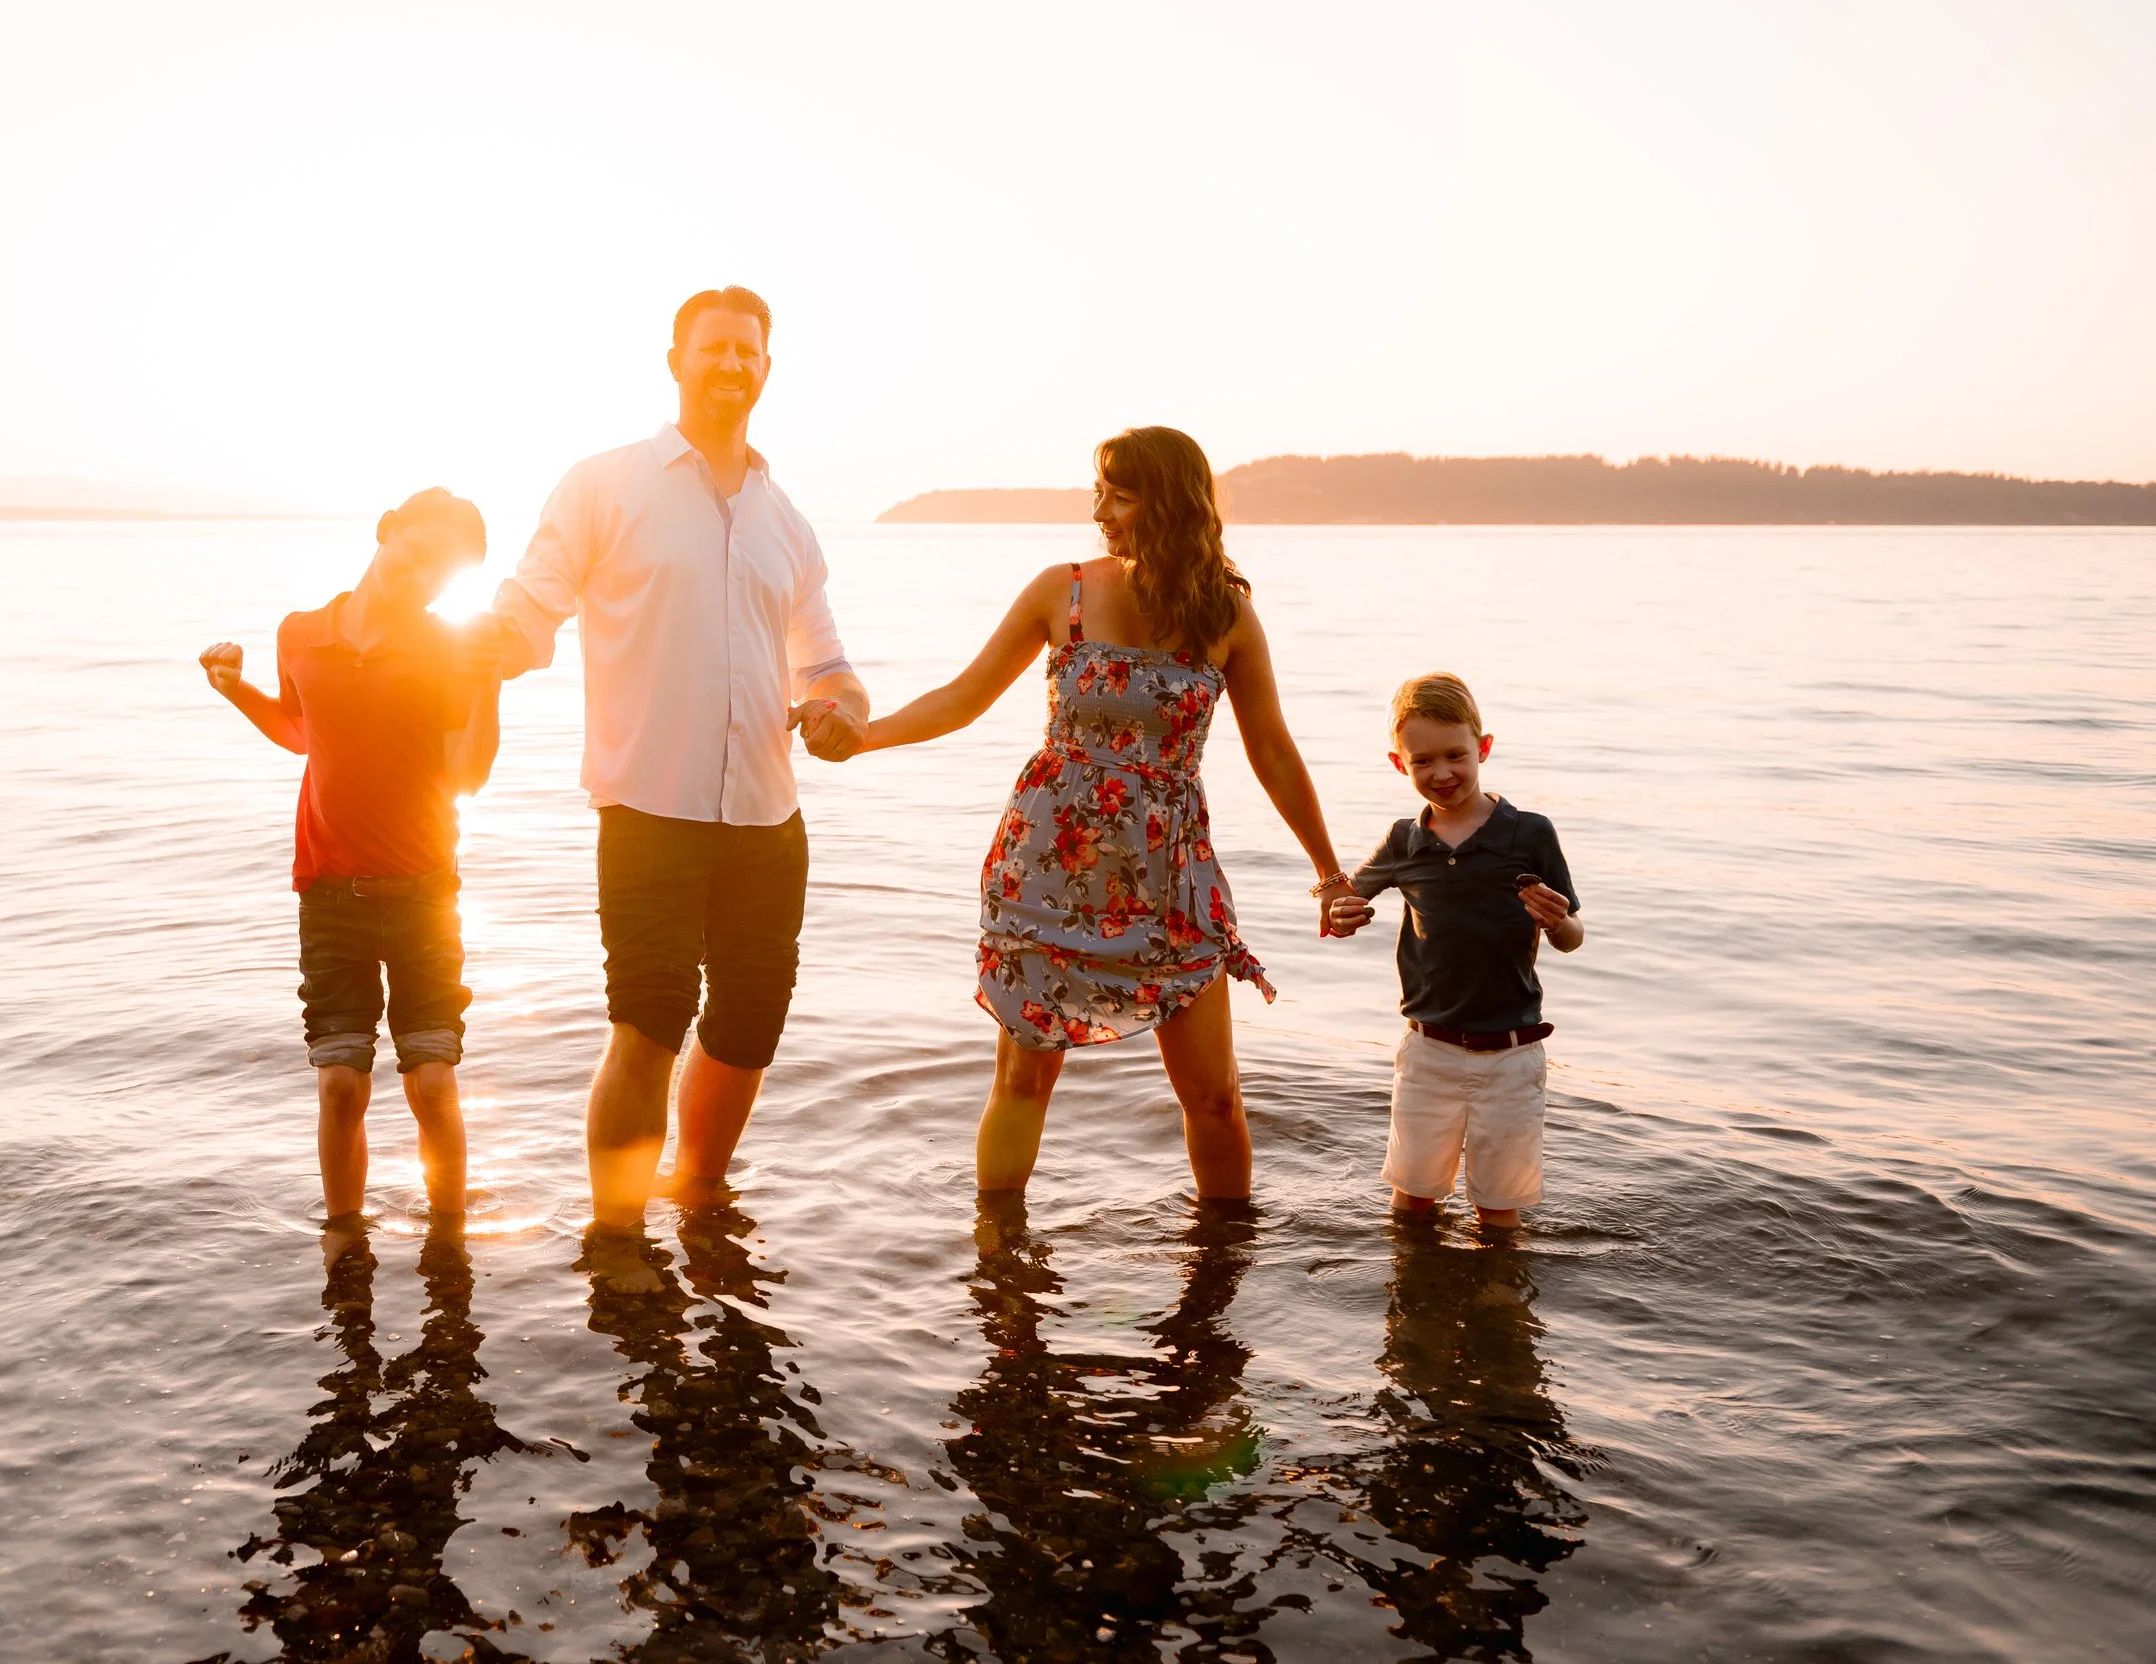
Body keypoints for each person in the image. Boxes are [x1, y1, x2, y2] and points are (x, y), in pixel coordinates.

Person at [858, 425, 1357, 1199]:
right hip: (1048, 870)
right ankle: (998, 1251)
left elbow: (1274, 752)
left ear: (1172, 503)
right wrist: (862, 738)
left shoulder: (1224, 616)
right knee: (1023, 1080)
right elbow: (961, 698)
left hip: (1171, 879)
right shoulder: (1060, 591)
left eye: (1120, 497)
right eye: (1100, 494)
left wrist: (1329, 873)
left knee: (1215, 1098)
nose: (1100, 513)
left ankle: (1222, 1259)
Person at [480, 286, 868, 1230]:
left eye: (748, 351)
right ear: (676, 362)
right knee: (648, 1024)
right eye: (714, 347)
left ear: (766, 369)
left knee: (749, 1026)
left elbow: (829, 667)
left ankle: (698, 1200)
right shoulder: (605, 485)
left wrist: (839, 712)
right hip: (648, 809)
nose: (732, 364)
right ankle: (616, 1240)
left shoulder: (788, 522)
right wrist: (482, 648)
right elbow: (532, 605)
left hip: (768, 822)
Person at [198, 488, 500, 1223]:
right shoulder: (300, 633)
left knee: (432, 1085)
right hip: (330, 895)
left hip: (425, 895)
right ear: (386, 530)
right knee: (340, 1087)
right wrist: (235, 689)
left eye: (443, 575)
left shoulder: (449, 648)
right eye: (418, 556)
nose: (424, 579)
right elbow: (302, 732)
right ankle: (343, 1243)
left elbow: (468, 774)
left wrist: (487, 680)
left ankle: (449, 1245)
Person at [1329, 673, 1584, 1228]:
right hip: (1428, 1051)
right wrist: (1339, 914)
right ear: (1399, 764)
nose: (1441, 773)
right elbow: (1343, 901)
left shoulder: (1530, 833)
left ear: (1483, 748)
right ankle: (1412, 1283)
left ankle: (1498, 1284)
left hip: (1512, 1053)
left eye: (1455, 755)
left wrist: (1558, 921)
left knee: (1498, 1209)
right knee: (1412, 1200)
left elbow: (1572, 936)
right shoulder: (1403, 839)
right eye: (1422, 761)